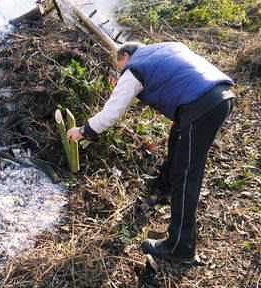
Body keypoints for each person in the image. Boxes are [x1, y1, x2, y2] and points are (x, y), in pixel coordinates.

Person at [66, 41, 235, 264]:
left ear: (126, 56)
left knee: (186, 175)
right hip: (219, 94)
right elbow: (178, 79)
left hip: (200, 107)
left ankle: (180, 248)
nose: (121, 71)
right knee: (176, 142)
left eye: (120, 67)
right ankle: (163, 185)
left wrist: (84, 130)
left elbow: (113, 112)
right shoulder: (166, 48)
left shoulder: (134, 68)